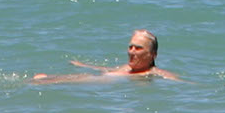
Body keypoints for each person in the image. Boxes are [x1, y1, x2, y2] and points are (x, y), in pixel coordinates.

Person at [32, 30, 181, 83]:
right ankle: (46, 79)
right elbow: (108, 69)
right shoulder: (127, 67)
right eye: (130, 47)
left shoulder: (153, 73)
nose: (131, 51)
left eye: (138, 48)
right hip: (102, 78)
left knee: (86, 79)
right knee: (84, 76)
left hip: (103, 83)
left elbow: (175, 80)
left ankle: (46, 80)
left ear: (153, 55)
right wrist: (84, 65)